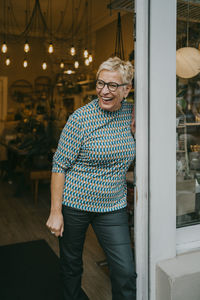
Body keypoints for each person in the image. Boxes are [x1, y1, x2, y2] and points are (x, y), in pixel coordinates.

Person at [46, 56, 136, 300]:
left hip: (113, 206)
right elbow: (59, 164)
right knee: (71, 267)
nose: (104, 91)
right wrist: (56, 211)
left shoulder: (132, 111)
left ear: (127, 89)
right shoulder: (80, 119)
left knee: (126, 272)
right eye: (100, 84)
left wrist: (139, 116)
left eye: (112, 86)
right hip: (75, 205)